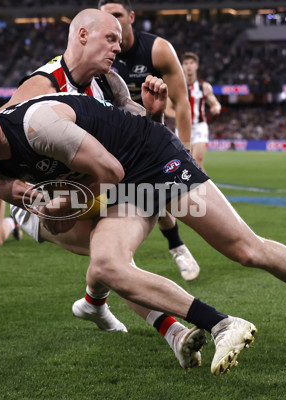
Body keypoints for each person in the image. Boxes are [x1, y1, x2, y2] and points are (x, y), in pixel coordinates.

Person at [0, 93, 286, 373]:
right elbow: (11, 191)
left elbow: (110, 171)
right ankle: (221, 324)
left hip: (150, 161)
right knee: (106, 263)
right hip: (122, 189)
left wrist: (69, 200)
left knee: (246, 249)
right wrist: (38, 201)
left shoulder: (37, 125)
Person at [0, 9, 205, 370]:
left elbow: (138, 136)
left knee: (110, 257)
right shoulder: (41, 87)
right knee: (109, 257)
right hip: (44, 198)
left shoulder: (109, 83)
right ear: (82, 36)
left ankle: (95, 305)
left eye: (118, 39)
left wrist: (154, 116)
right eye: (109, 39)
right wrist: (6, 189)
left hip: (89, 185)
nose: (117, 47)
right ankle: (171, 331)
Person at [99, 0, 200, 281]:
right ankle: (170, 249)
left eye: (118, 15)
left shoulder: (158, 49)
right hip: (111, 139)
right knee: (131, 201)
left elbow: (181, 103)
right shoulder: (96, 53)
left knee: (158, 197)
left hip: (150, 133)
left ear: (131, 16)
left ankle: (176, 247)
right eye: (107, 18)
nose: (114, 23)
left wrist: (186, 149)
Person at [166, 52, 221, 169]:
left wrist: (216, 107)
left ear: (196, 66)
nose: (189, 66)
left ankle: (202, 187)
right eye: (186, 63)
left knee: (198, 159)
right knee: (186, 163)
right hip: (182, 128)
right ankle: (193, 186)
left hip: (199, 126)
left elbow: (215, 103)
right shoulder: (176, 86)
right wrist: (182, 116)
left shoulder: (204, 87)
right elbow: (167, 109)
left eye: (191, 63)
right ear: (182, 66)